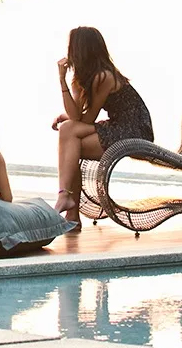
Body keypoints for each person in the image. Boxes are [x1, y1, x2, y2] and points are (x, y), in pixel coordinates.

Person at [52, 26, 154, 225]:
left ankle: (66, 201)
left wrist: (69, 116)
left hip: (134, 130)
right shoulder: (83, 78)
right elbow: (76, 115)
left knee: (69, 135)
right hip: (117, 126)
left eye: (71, 47)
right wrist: (63, 81)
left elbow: (87, 119)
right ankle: (70, 210)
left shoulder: (103, 76)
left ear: (81, 49)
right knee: (70, 137)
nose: (69, 52)